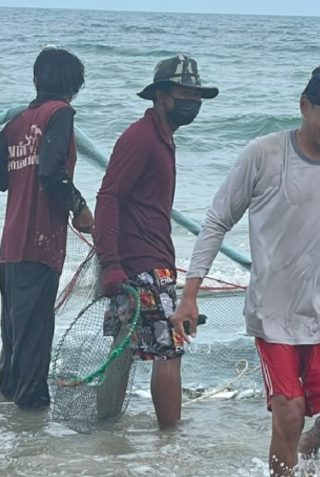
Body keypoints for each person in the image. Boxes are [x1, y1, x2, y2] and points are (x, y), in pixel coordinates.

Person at [171, 61, 320, 476]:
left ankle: (310, 444)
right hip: (273, 313)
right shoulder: (264, 154)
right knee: (289, 413)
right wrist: (189, 294)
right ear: (305, 105)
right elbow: (217, 221)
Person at [93, 54, 218, 428]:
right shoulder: (141, 137)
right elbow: (108, 197)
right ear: (160, 96)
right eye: (183, 93)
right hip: (142, 264)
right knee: (170, 352)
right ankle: (170, 440)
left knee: (123, 352)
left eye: (196, 95)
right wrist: (111, 263)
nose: (191, 101)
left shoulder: (162, 137)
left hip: (144, 261)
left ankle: (105, 434)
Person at [0, 47, 93, 410]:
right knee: (34, 343)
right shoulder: (61, 113)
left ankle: (13, 429)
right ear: (74, 88)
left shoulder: (15, 124)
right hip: (39, 248)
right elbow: (53, 172)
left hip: (9, 251)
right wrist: (80, 207)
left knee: (15, 341)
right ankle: (33, 430)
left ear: (36, 80)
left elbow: (4, 181)